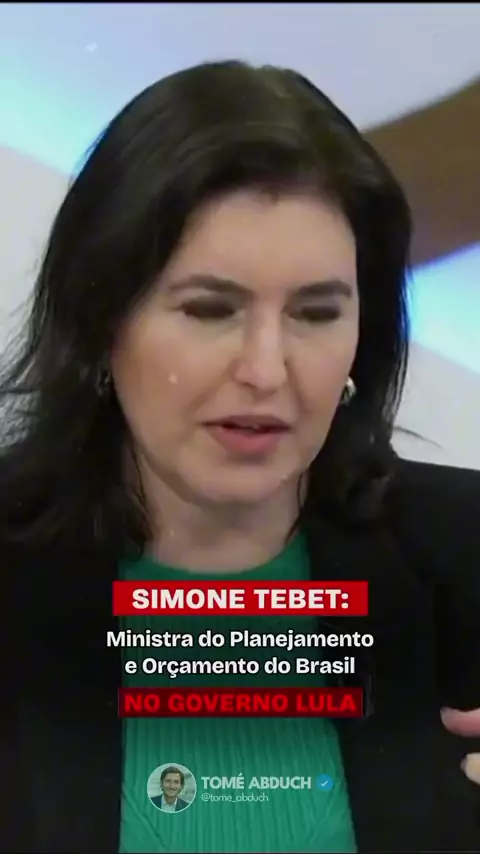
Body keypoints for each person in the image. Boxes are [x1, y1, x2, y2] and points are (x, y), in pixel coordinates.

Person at [0, 60, 479, 854]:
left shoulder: (464, 553)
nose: (265, 370)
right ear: (101, 320)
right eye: (210, 309)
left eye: (315, 313)